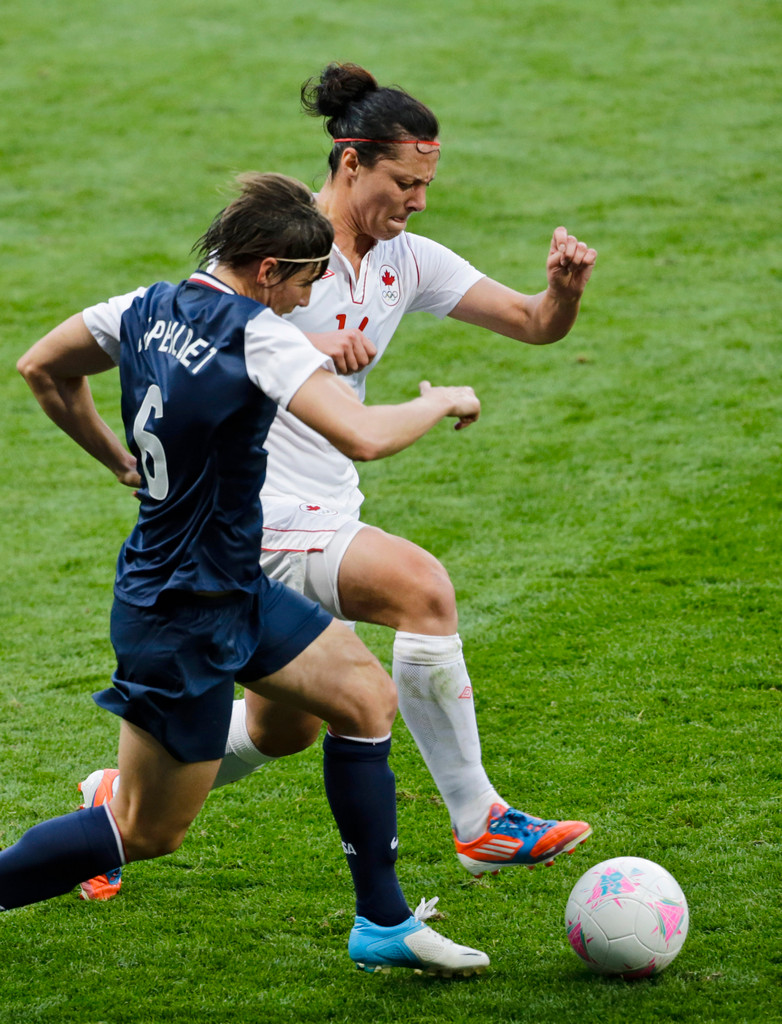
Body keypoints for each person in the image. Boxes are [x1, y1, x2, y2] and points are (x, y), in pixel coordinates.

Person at [81, 62, 598, 900]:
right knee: (421, 588)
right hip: (257, 513)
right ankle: (480, 822)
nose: (419, 201)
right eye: (406, 182)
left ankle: (115, 803)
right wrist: (312, 351)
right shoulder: (278, 246)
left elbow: (535, 326)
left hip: (328, 506)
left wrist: (562, 292)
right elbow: (198, 329)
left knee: (285, 729)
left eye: (427, 183)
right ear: (350, 161)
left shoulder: (408, 260)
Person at [3, 172, 490, 977]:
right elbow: (363, 435)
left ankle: (383, 923)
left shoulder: (139, 308)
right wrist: (441, 401)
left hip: (225, 585)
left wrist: (119, 461)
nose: (307, 302)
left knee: (366, 699)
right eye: (304, 283)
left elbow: (41, 368)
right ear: (267, 270)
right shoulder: (257, 334)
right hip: (184, 612)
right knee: (147, 829)